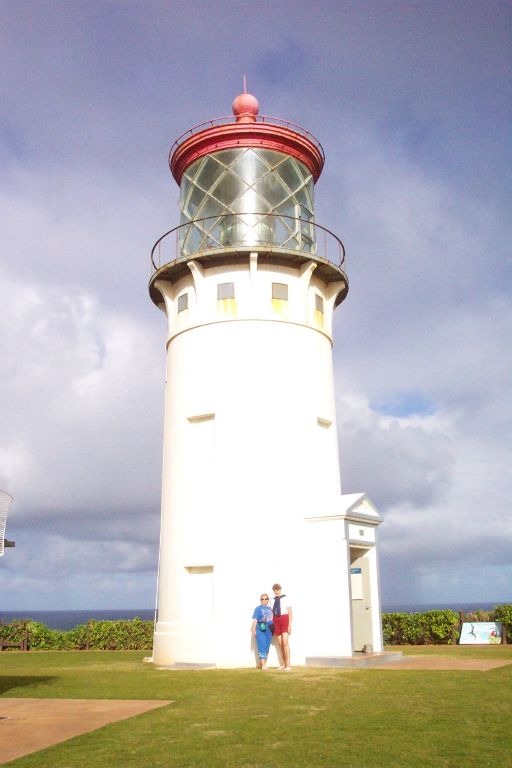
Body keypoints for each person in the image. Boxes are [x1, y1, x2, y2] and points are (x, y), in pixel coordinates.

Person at [271, 583, 292, 671]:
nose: (276, 592)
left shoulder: (286, 598)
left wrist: (290, 624)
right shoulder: (272, 600)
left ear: (280, 589)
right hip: (276, 620)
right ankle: (283, 664)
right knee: (280, 644)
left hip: (284, 618)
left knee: (285, 642)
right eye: (275, 590)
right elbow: (272, 612)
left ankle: (288, 664)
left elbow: (290, 611)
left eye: (277, 590)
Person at [251, 593, 273, 669]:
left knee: (266, 647)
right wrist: (253, 629)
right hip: (260, 628)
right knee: (262, 645)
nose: (264, 600)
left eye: (266, 599)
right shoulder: (258, 608)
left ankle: (261, 664)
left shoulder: (270, 609)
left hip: (269, 630)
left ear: (268, 600)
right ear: (260, 600)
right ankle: (263, 665)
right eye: (262, 599)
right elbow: (255, 619)